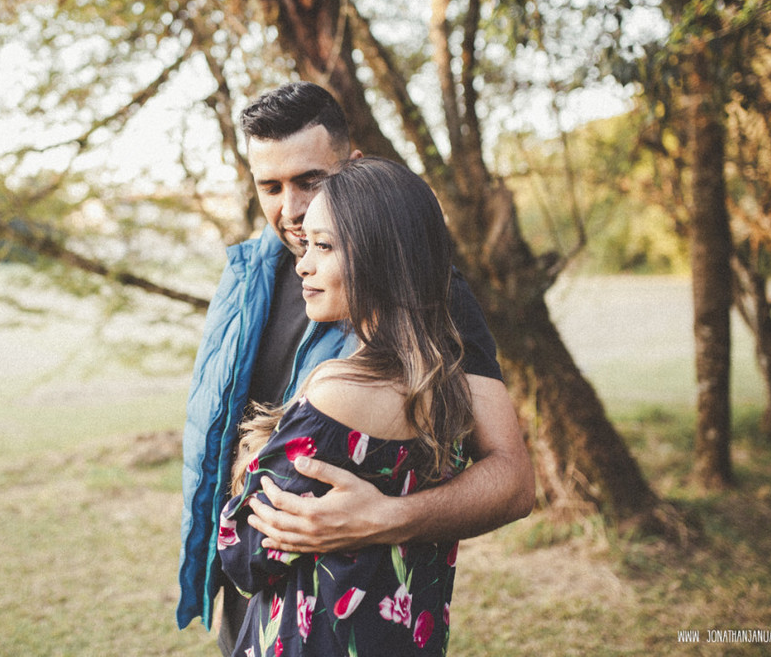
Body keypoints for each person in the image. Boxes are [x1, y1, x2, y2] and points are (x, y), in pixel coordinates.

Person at [177, 82, 533, 653]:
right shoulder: (246, 276)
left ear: (354, 169)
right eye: (270, 186)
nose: (289, 210)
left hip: (347, 614)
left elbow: (513, 481)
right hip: (250, 605)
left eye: (309, 181)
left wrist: (387, 517)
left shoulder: (428, 295)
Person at [219, 157, 477, 655]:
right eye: (305, 245)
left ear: (378, 257)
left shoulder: (339, 392)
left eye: (324, 246)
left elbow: (243, 554)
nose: (303, 263)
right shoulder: (447, 380)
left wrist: (253, 453)